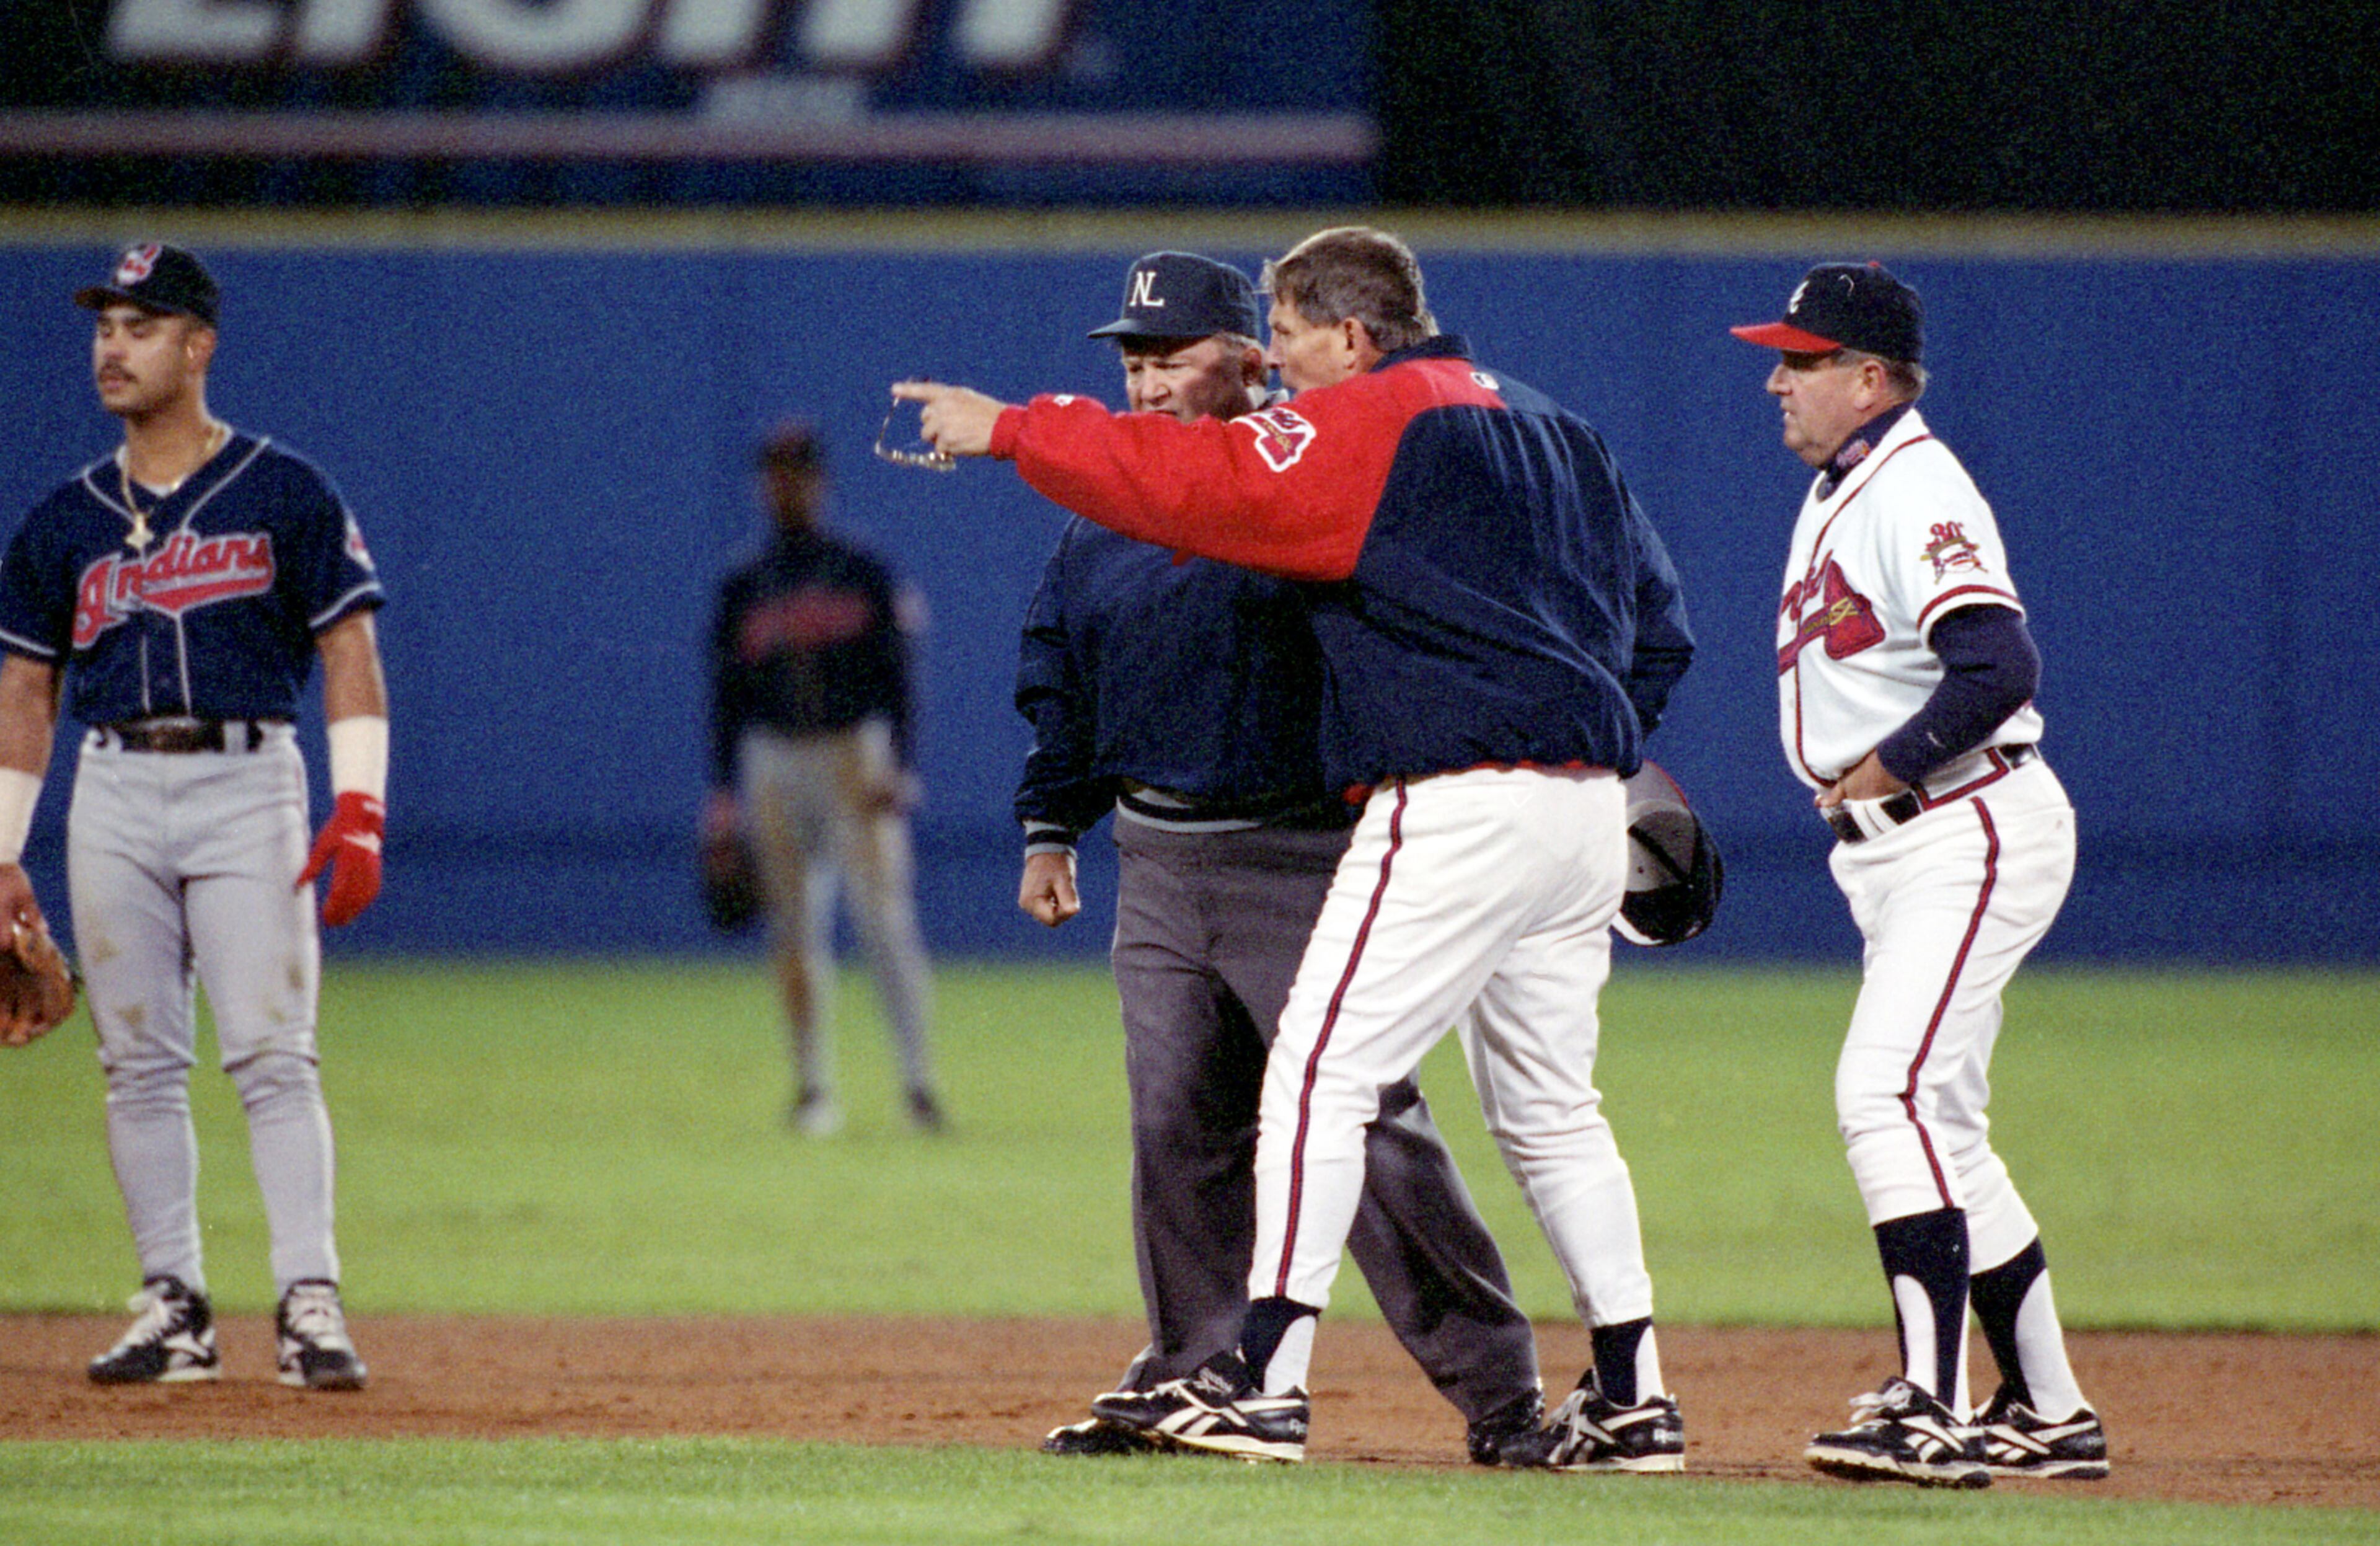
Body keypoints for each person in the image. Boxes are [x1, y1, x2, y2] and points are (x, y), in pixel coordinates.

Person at [895, 226, 1695, 1467]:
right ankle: (1635, 1392)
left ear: (1355, 336)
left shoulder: (1373, 417)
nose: (1281, 356)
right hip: (1583, 801)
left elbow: (1197, 484)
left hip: (1454, 798)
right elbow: (1658, 617)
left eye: (1287, 334)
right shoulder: (1558, 426)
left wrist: (1013, 426)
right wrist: (1590, 741)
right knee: (1551, 1111)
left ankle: (1261, 1378)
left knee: (1319, 1082)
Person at [1017, 252, 1545, 1464]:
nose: (1146, 379)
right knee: (1178, 1126)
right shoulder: (1106, 507)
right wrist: (1053, 823)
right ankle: (1198, 1370)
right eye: (1131, 359)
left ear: (1247, 357)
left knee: (1359, 1126)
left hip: (1303, 853)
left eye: (1170, 354)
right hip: (1156, 857)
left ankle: (1500, 1389)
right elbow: (1059, 670)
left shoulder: (1312, 479)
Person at [1730, 262, 2107, 1486]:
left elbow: (1998, 664)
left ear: (1872, 376)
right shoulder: (1851, 481)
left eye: (1803, 358)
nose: (1779, 378)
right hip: (1909, 847)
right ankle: (2049, 1408)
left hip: (1968, 819)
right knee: (1940, 1115)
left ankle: (1929, 1402)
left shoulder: (1916, 484)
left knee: (1880, 1092)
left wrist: (1887, 763)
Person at [0, 243, 387, 1390]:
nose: (114, 348)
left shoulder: (285, 490)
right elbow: (27, 689)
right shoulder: (65, 519)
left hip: (246, 779)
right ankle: (173, 1300)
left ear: (199, 345)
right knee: (137, 1062)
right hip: (111, 784)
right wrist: (1, 853)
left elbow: (348, 646)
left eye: (142, 326)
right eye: (105, 326)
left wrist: (359, 803)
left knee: (272, 1050)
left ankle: (309, 1296)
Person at [705, 421, 942, 1137]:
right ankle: (813, 1089)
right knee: (794, 933)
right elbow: (725, 695)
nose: (787, 485)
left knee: (885, 924)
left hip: (853, 757)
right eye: (776, 473)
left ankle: (919, 1085)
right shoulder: (744, 583)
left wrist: (899, 762)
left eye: (799, 473)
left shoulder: (863, 568)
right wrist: (722, 797)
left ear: (821, 482)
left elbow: (900, 676)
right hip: (774, 760)